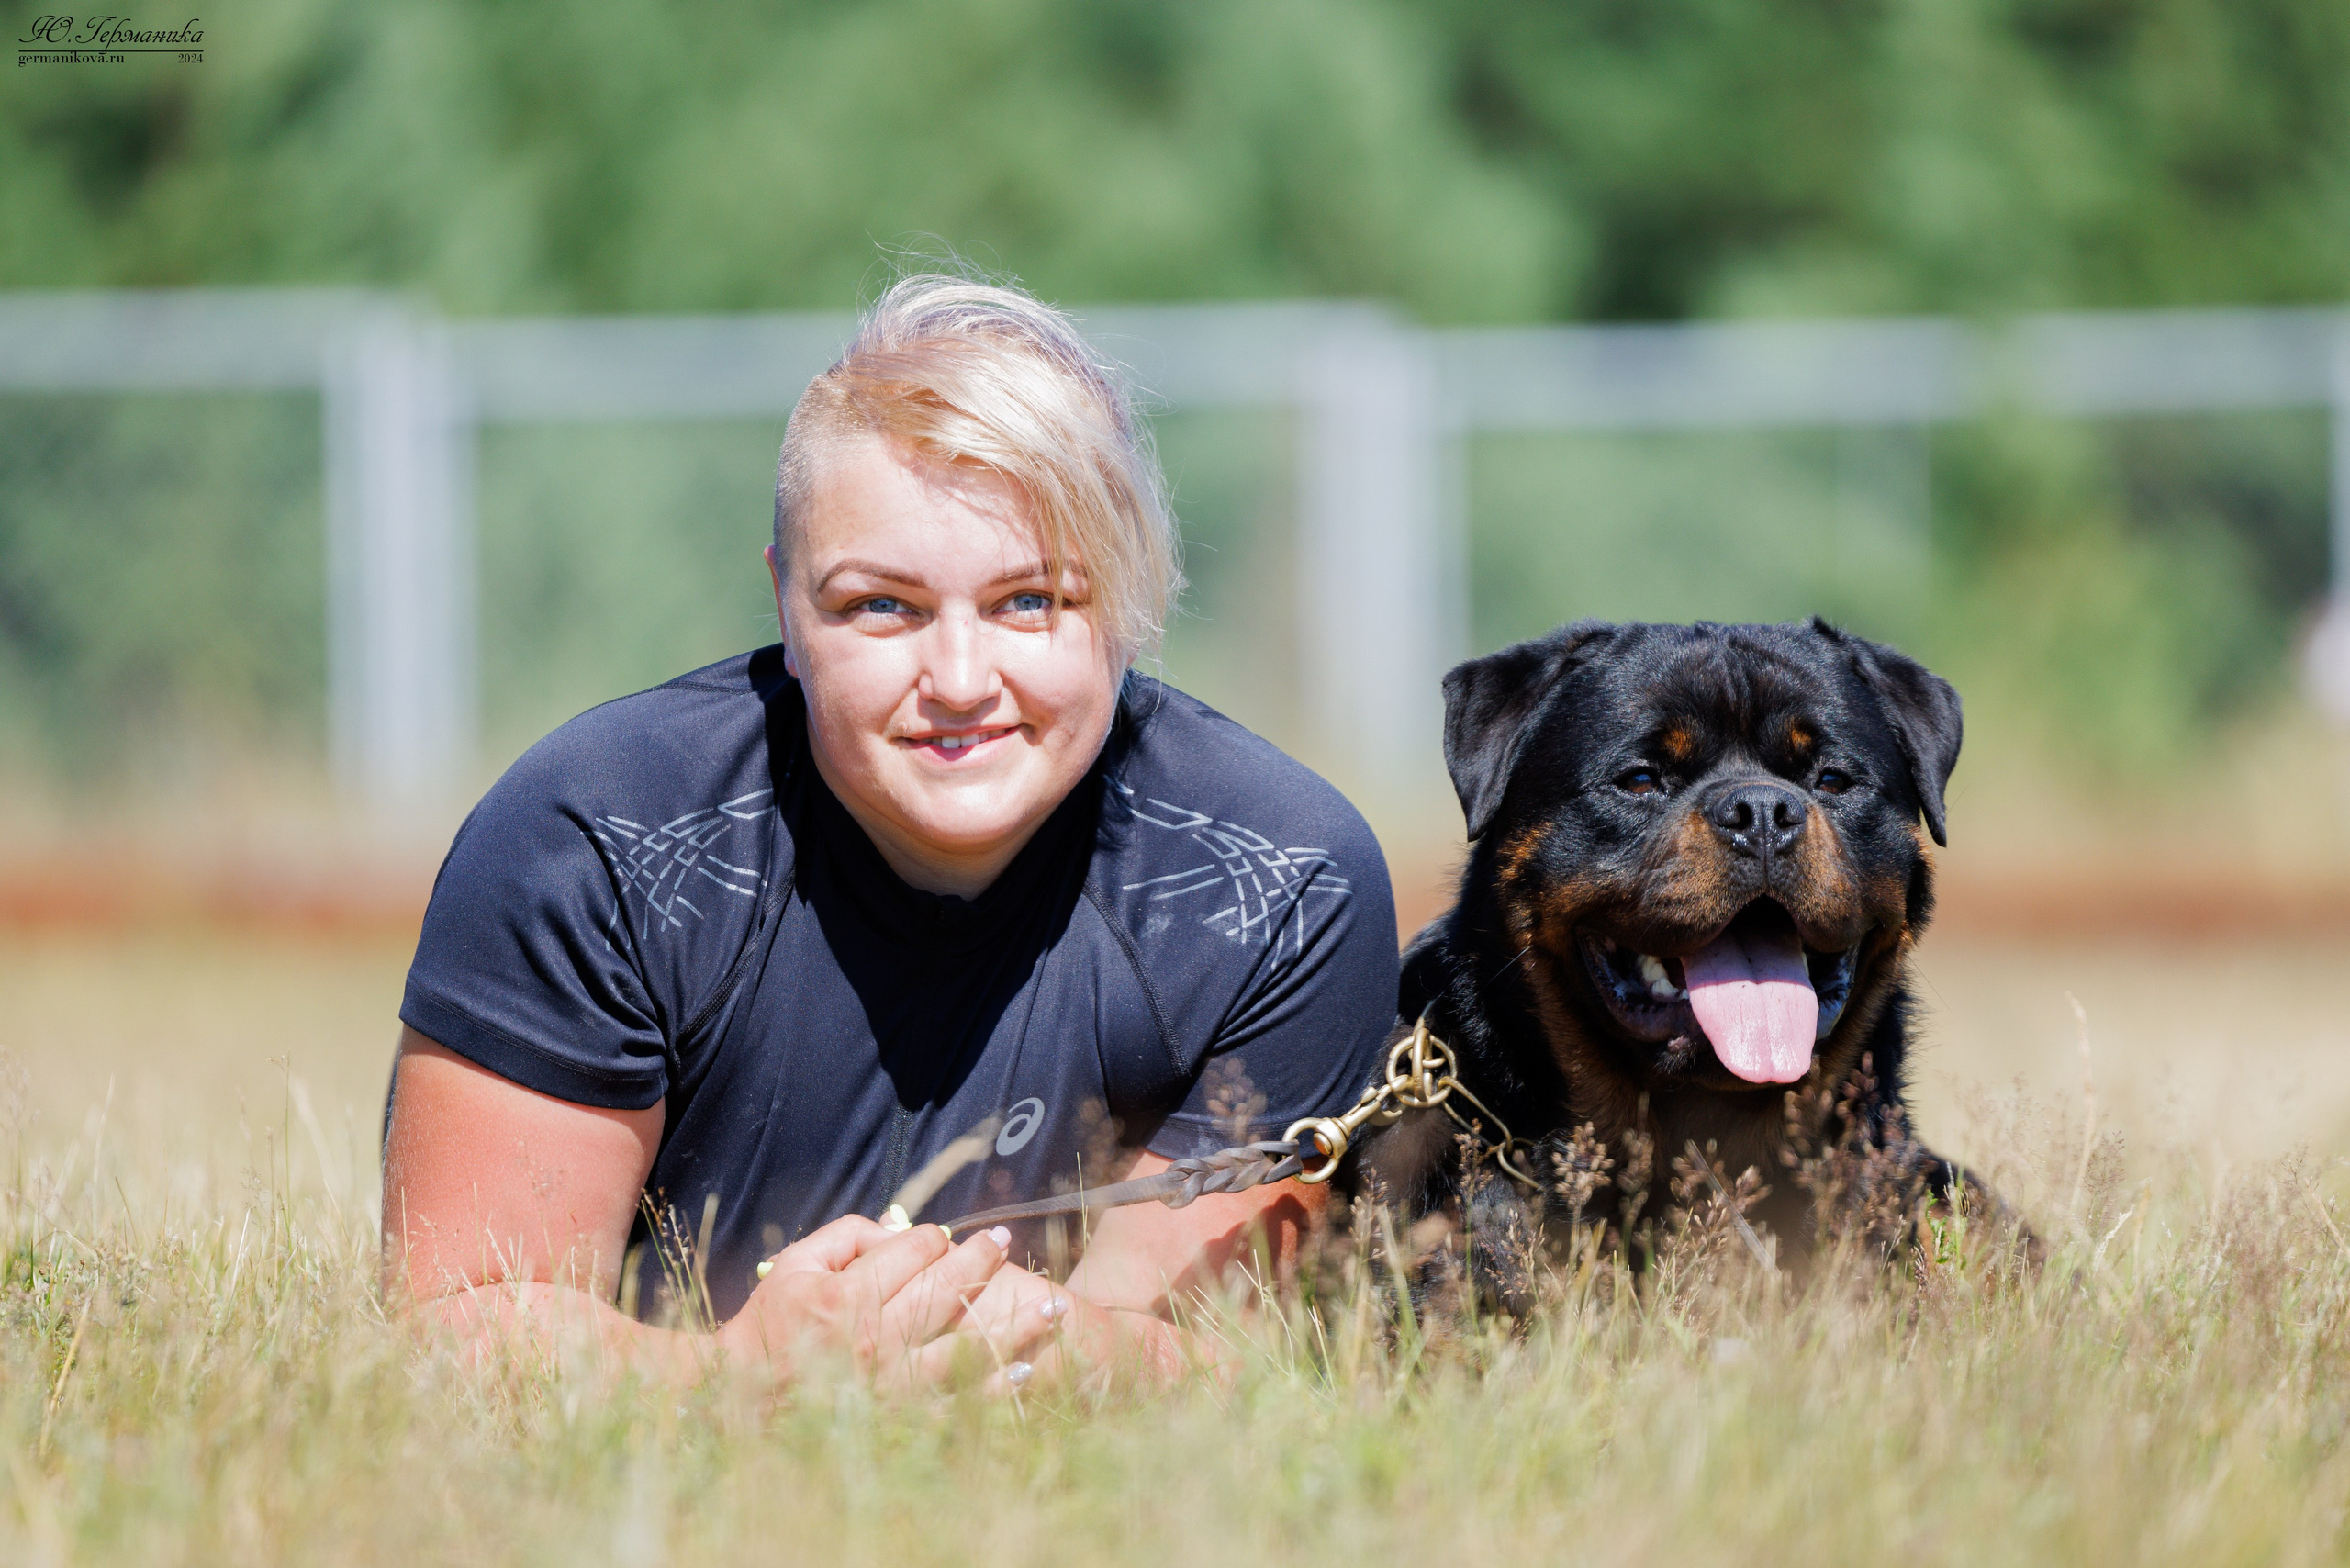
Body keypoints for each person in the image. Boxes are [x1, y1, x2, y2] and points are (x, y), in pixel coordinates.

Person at [381, 273, 1399, 1390]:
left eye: (1031, 601)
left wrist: (1027, 1353)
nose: (960, 680)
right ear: (784, 604)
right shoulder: (594, 838)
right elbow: (447, 1337)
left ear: (1127, 595)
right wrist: (742, 1382)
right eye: (882, 606)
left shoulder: (1285, 881)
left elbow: (1215, 1373)